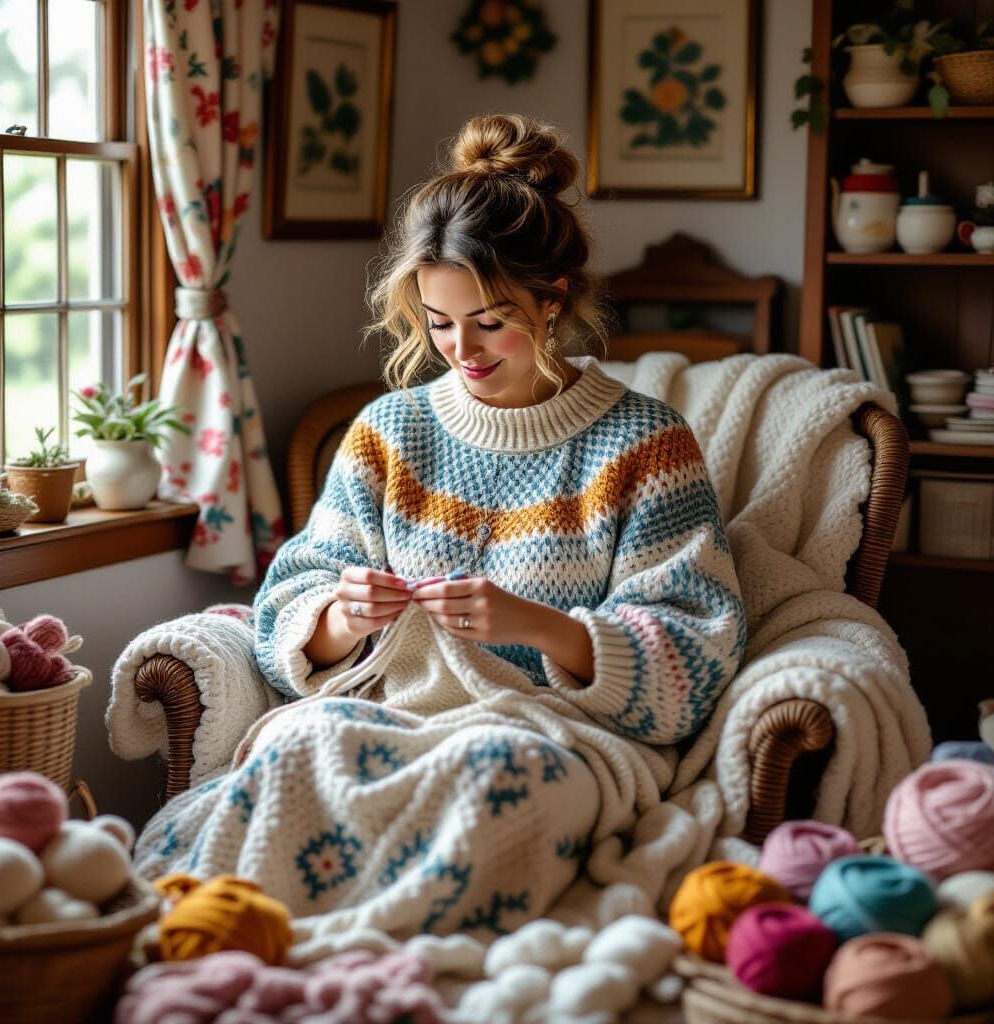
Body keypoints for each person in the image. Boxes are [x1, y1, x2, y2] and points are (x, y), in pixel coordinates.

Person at [134, 113, 747, 941]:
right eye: (439, 321)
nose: (462, 347)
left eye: (491, 320)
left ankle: (350, 956)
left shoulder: (645, 444)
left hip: (545, 735)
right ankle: (246, 940)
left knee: (496, 780)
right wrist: (339, 618)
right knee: (295, 753)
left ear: (553, 298)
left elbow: (694, 652)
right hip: (385, 715)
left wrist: (537, 626)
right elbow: (292, 597)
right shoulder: (390, 431)